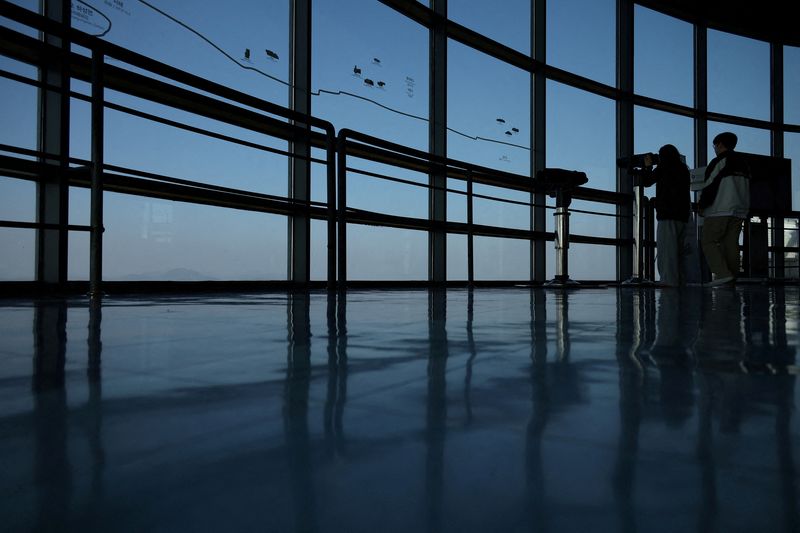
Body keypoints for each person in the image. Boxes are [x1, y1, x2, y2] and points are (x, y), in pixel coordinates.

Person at [697, 132, 750, 287]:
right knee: (731, 243)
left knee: (708, 241)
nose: (714, 149)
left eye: (715, 145)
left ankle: (722, 274)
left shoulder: (720, 161)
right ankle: (732, 277)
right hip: (740, 209)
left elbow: (710, 185)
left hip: (720, 209)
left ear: (720, 144)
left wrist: (702, 205)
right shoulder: (744, 162)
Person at [640, 144, 691, 287]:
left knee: (667, 252)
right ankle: (679, 282)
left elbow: (647, 181)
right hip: (682, 216)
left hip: (667, 215)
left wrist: (647, 166)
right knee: (678, 252)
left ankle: (669, 282)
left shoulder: (664, 168)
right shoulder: (683, 169)